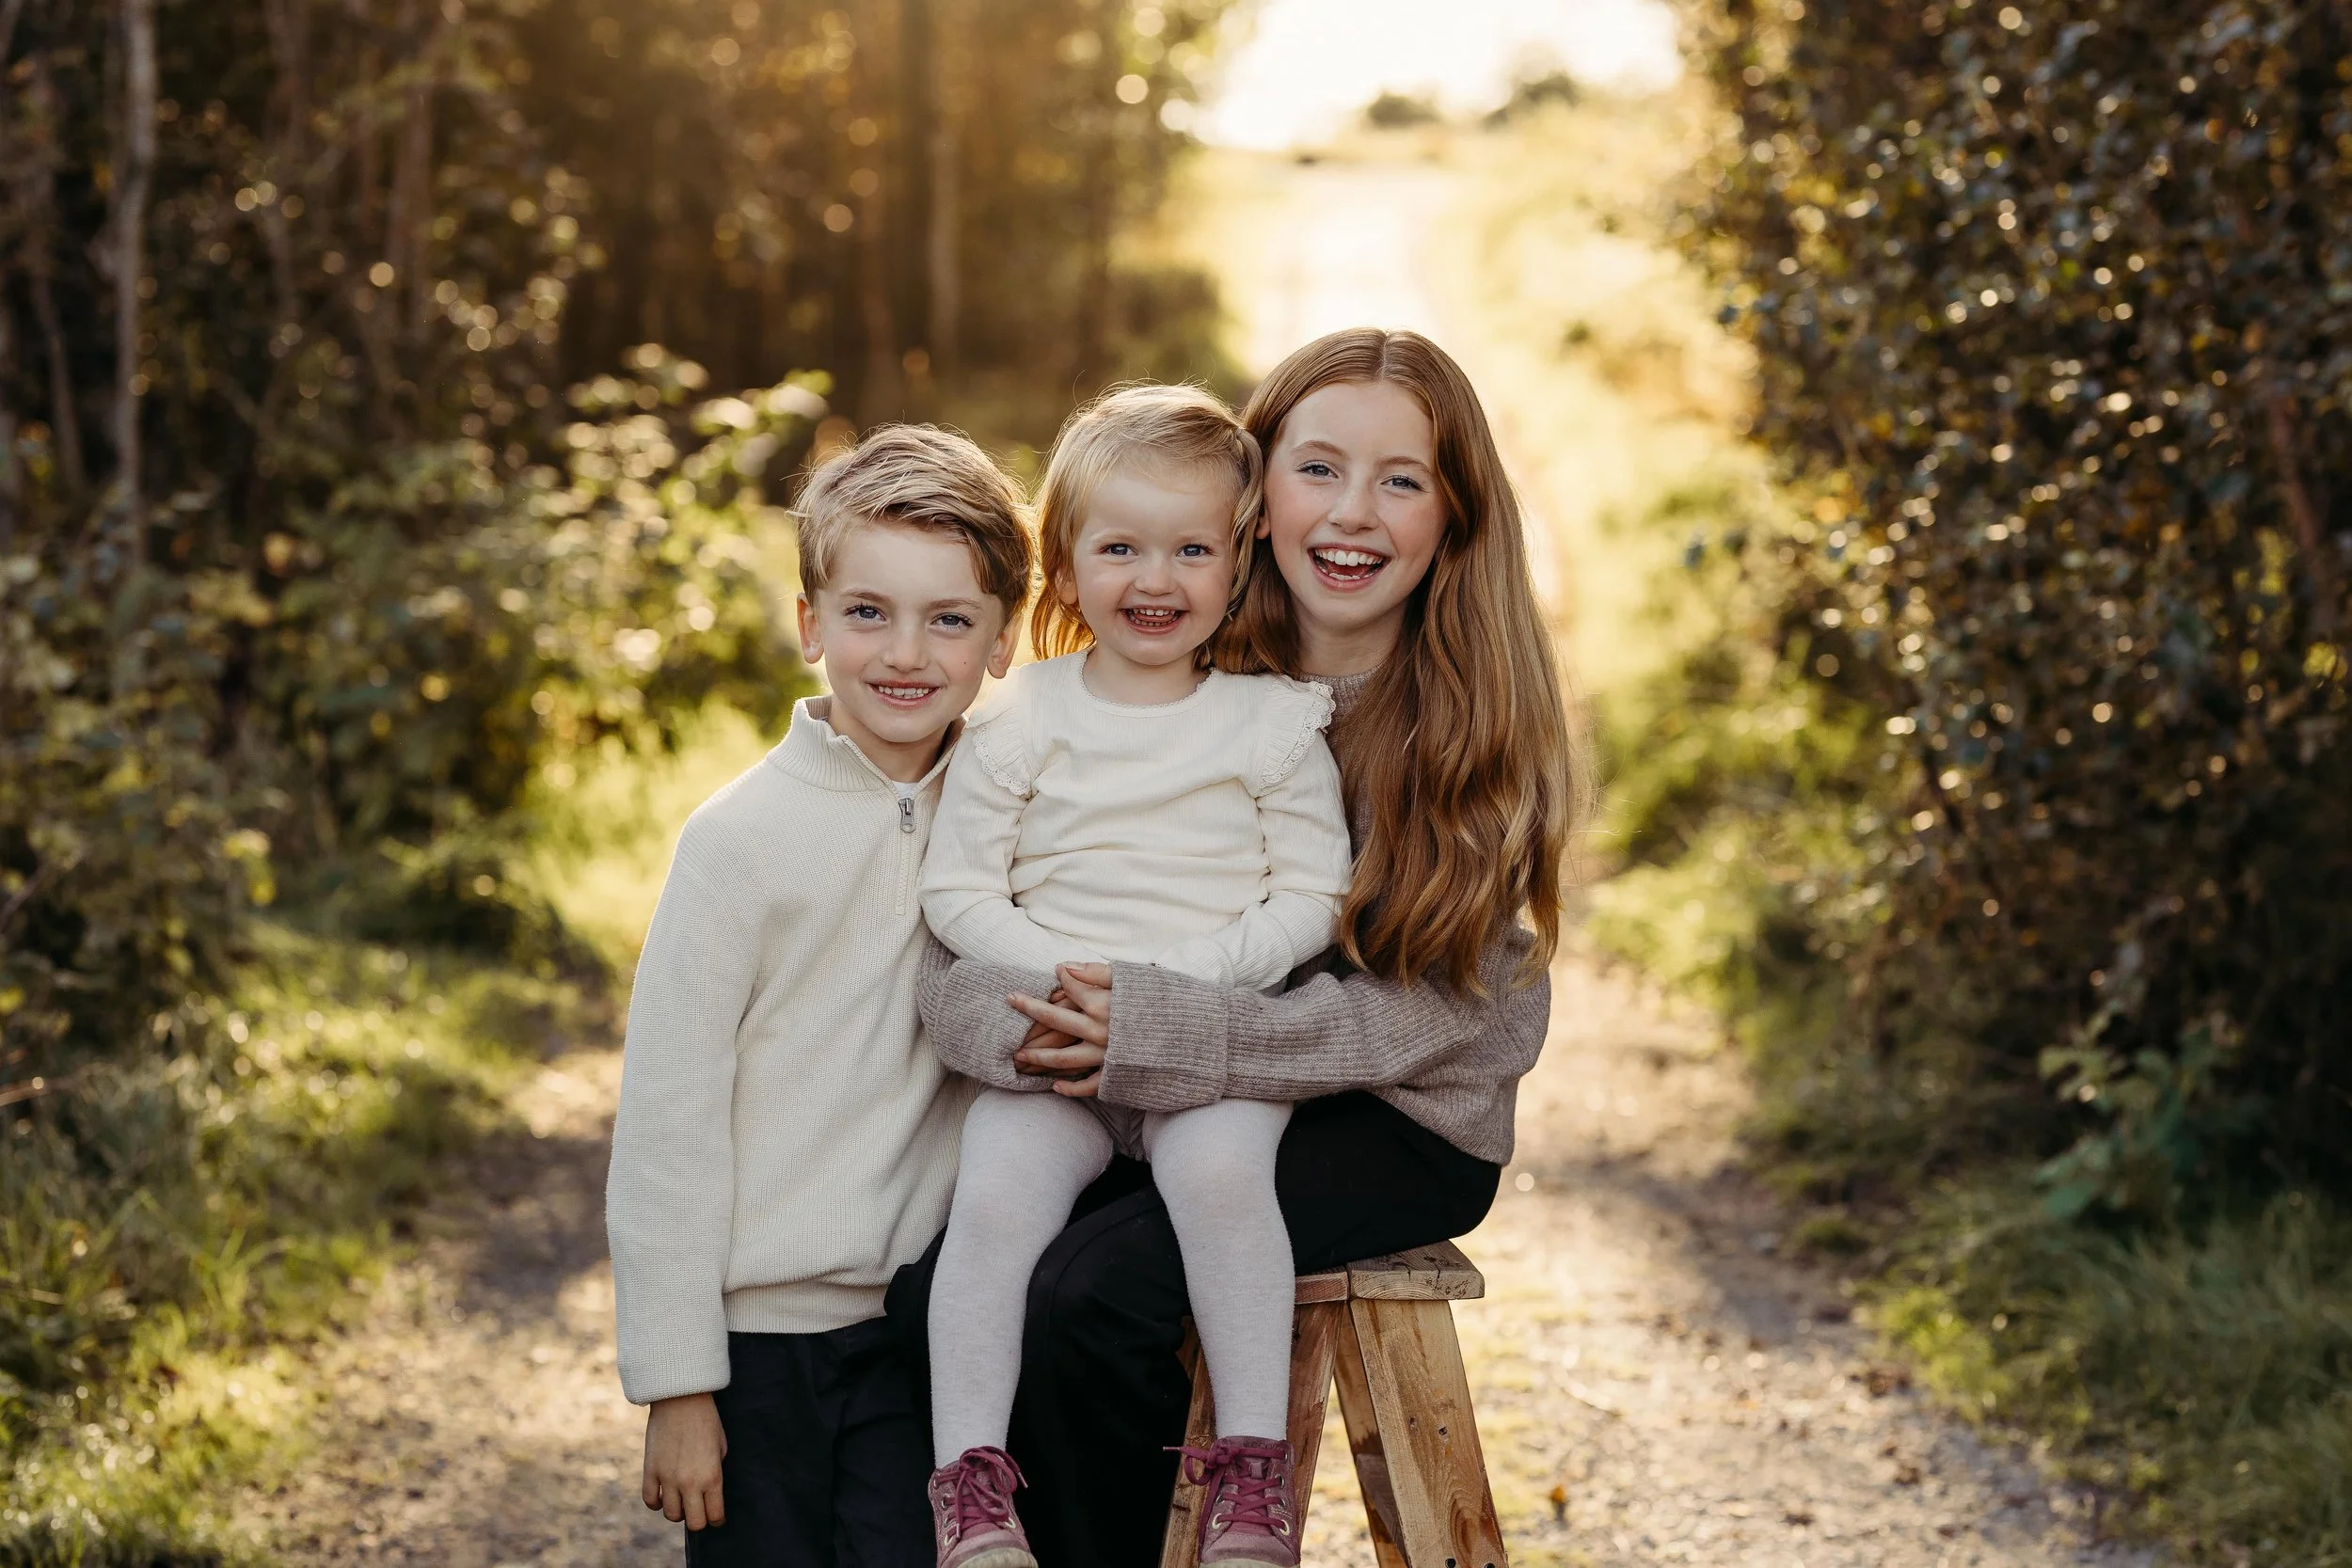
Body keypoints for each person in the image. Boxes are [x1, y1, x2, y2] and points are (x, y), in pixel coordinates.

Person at [892, 327, 1590, 1567]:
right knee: (934, 1276)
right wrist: (1030, 1016)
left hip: (1391, 1117)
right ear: (1256, 501)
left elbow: (1459, 1011)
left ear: (1454, 516)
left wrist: (1171, 1032)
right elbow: (982, 902)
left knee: (1092, 1291)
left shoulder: (1470, 720)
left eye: (1403, 480)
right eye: (1318, 467)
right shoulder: (1173, 662)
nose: (1354, 513)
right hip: (1153, 1077)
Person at [916, 384, 1354, 1568]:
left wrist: (1171, 991)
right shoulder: (1019, 717)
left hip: (1211, 1044)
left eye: (1190, 548)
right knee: (993, 1208)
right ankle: (971, 1484)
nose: (1154, 578)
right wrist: (1072, 985)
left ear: (1239, 554)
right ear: (1062, 564)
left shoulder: (1268, 725)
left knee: (1224, 1187)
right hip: (1057, 1038)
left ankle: (1248, 1476)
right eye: (1118, 547)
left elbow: (1309, 895)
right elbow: (957, 892)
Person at [607, 424, 1033, 1567]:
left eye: (950, 618)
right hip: (757, 1353)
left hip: (920, 1331)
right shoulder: (737, 842)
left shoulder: (1010, 818)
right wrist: (677, 1379)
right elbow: (667, 1122)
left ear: (1002, 642)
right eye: (866, 611)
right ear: (808, 624)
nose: (907, 651)